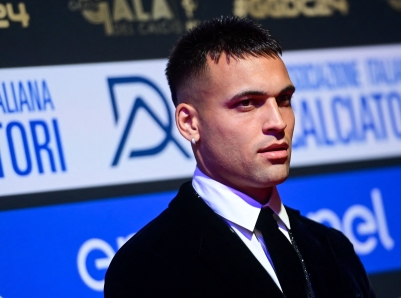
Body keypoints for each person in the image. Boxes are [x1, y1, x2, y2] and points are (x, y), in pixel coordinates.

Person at [104, 16, 375, 298]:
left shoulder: (333, 248)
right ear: (189, 123)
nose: (277, 122)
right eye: (247, 103)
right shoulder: (147, 266)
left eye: (283, 100)